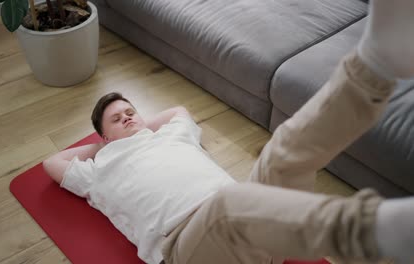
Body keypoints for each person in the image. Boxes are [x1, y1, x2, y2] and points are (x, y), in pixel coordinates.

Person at [43, 0, 414, 263]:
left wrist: (140, 128)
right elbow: (52, 162)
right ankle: (378, 232)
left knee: (282, 151)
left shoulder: (172, 134)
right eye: (116, 119)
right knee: (227, 204)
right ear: (103, 136)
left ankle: (375, 67)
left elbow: (178, 111)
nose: (127, 117)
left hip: (257, 233)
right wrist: (106, 147)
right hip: (188, 249)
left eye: (130, 111)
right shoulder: (98, 170)